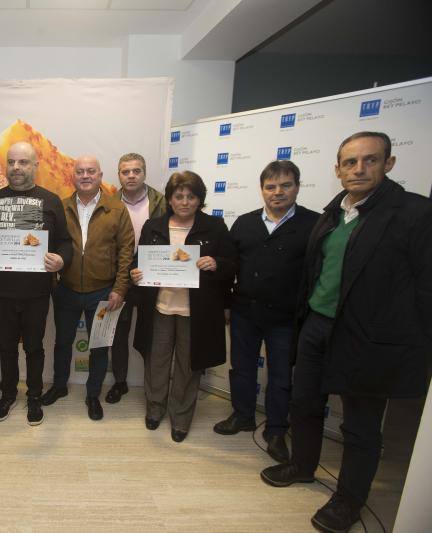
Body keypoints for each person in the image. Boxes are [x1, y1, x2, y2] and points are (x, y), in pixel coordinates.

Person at [260, 132, 432, 533]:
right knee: (304, 403)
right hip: (318, 325)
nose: (359, 169)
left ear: (388, 164)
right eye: (350, 163)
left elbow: (426, 287)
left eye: (370, 160)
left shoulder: (414, 214)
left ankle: (349, 500)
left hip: (369, 336)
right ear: (337, 169)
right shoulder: (333, 211)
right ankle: (302, 466)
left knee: (360, 424)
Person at [213, 160, 319, 463]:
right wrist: (225, 304)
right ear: (262, 190)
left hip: (286, 318)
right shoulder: (245, 223)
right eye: (271, 186)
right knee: (242, 369)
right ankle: (243, 415)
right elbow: (229, 267)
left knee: (281, 377)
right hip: (244, 311)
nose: (278, 192)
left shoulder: (314, 224)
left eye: (285, 185)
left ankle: (275, 431)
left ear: (297, 187)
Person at [0, 141, 72, 425]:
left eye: (23, 162)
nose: (16, 168)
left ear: (35, 166)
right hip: (2, 290)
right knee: (6, 348)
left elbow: (64, 242)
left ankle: (34, 396)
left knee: (34, 347)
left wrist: (61, 261)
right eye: (12, 162)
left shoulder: (51, 200)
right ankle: (8, 394)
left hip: (37, 291)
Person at [131, 171, 236, 442]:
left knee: (188, 367)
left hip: (196, 312)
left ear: (200, 199)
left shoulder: (215, 227)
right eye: (179, 196)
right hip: (160, 308)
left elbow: (232, 265)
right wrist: (135, 273)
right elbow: (137, 263)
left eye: (191, 196)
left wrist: (217, 264)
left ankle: (181, 418)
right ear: (169, 199)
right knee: (156, 363)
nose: (185, 202)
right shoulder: (153, 226)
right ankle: (155, 410)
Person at [42, 155, 134, 420]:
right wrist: (53, 284)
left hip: (104, 292)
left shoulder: (116, 209)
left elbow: (127, 251)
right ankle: (59, 386)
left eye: (91, 171)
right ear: (73, 176)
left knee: (99, 346)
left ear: (100, 175)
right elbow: (49, 245)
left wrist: (120, 288)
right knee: (62, 343)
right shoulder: (61, 206)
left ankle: (93, 394)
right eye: (80, 171)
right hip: (66, 290)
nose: (85, 176)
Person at [106, 153, 167, 404]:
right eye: (125, 171)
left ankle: (153, 388)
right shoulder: (109, 203)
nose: (131, 176)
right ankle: (120, 383)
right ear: (119, 175)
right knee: (118, 334)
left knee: (152, 335)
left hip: (152, 280)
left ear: (144, 173)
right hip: (119, 278)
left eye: (136, 171)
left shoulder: (162, 202)